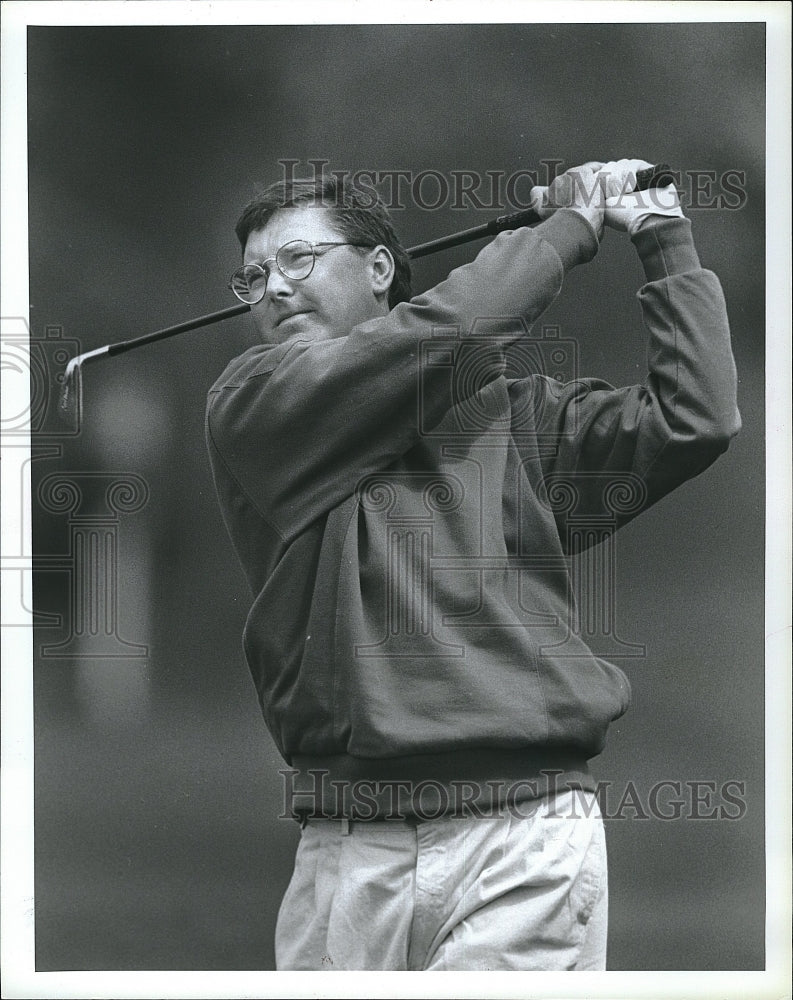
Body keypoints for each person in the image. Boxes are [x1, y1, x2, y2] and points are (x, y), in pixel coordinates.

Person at [205, 158, 740, 971]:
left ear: (379, 268)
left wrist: (662, 238)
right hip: (349, 847)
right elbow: (447, 334)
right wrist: (566, 227)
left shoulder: (517, 418)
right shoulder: (253, 401)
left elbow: (693, 417)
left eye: (297, 259)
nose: (272, 287)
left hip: (525, 837)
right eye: (252, 278)